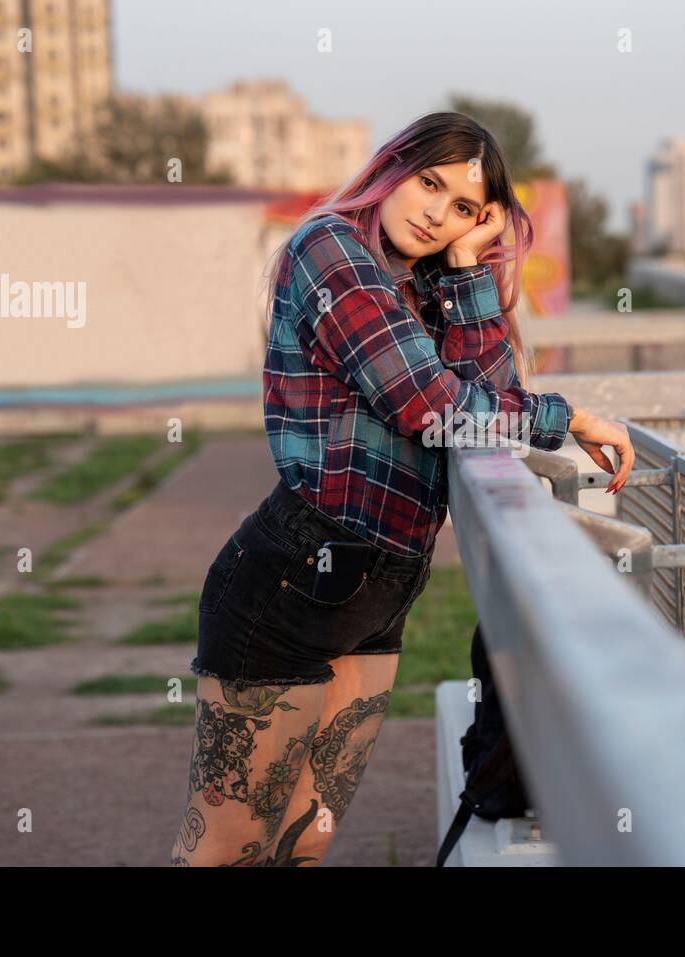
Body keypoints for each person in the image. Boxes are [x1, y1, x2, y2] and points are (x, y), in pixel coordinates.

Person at [169, 111, 634, 866]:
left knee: (304, 843)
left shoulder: (421, 281)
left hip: (380, 591)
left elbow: (491, 394)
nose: (434, 212)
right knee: (228, 850)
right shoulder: (331, 251)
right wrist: (569, 418)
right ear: (393, 167)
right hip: (291, 579)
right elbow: (436, 407)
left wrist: (465, 268)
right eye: (429, 183)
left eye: (462, 207)